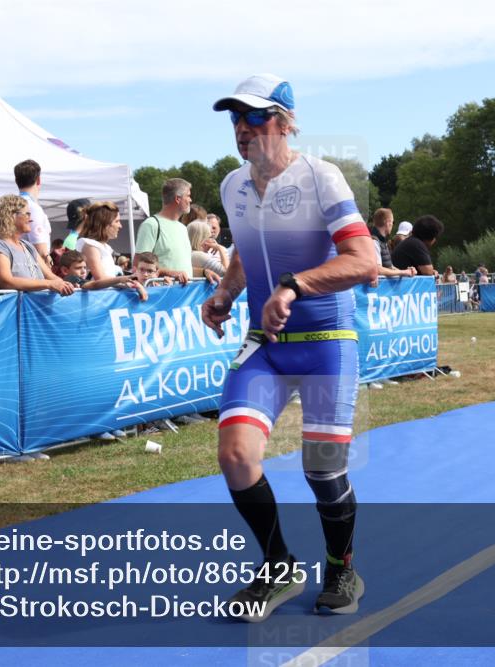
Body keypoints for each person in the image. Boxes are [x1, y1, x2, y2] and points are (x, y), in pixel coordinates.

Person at [204, 73, 377, 621]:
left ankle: (341, 566)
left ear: (283, 121)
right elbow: (243, 250)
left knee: (322, 471)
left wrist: (293, 285)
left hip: (326, 342)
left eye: (253, 117)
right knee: (235, 455)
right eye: (235, 119)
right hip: (268, 345)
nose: (242, 129)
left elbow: (364, 261)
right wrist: (226, 292)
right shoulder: (233, 185)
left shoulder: (320, 177)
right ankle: (278, 567)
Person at [0, 194, 75, 295]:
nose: (31, 218)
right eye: (27, 213)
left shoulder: (28, 246)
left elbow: (50, 276)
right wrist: (49, 284)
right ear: (11, 216)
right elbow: (6, 282)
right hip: (16, 309)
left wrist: (66, 285)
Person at [135, 178, 197, 284]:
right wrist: (171, 273)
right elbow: (138, 265)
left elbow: (183, 270)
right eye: (188, 195)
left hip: (184, 295)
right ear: (178, 199)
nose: (190, 200)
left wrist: (204, 272)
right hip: (163, 296)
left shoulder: (183, 228)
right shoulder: (151, 225)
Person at [14, 159, 52, 265]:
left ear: (16, 181)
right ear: (38, 180)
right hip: (33, 268)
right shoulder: (32, 207)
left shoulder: (11, 205)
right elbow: (40, 250)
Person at [370, 208, 415, 283]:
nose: (392, 225)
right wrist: (403, 272)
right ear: (388, 222)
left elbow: (389, 266)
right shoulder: (374, 241)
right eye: (392, 222)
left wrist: (407, 272)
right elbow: (378, 269)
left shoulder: (382, 241)